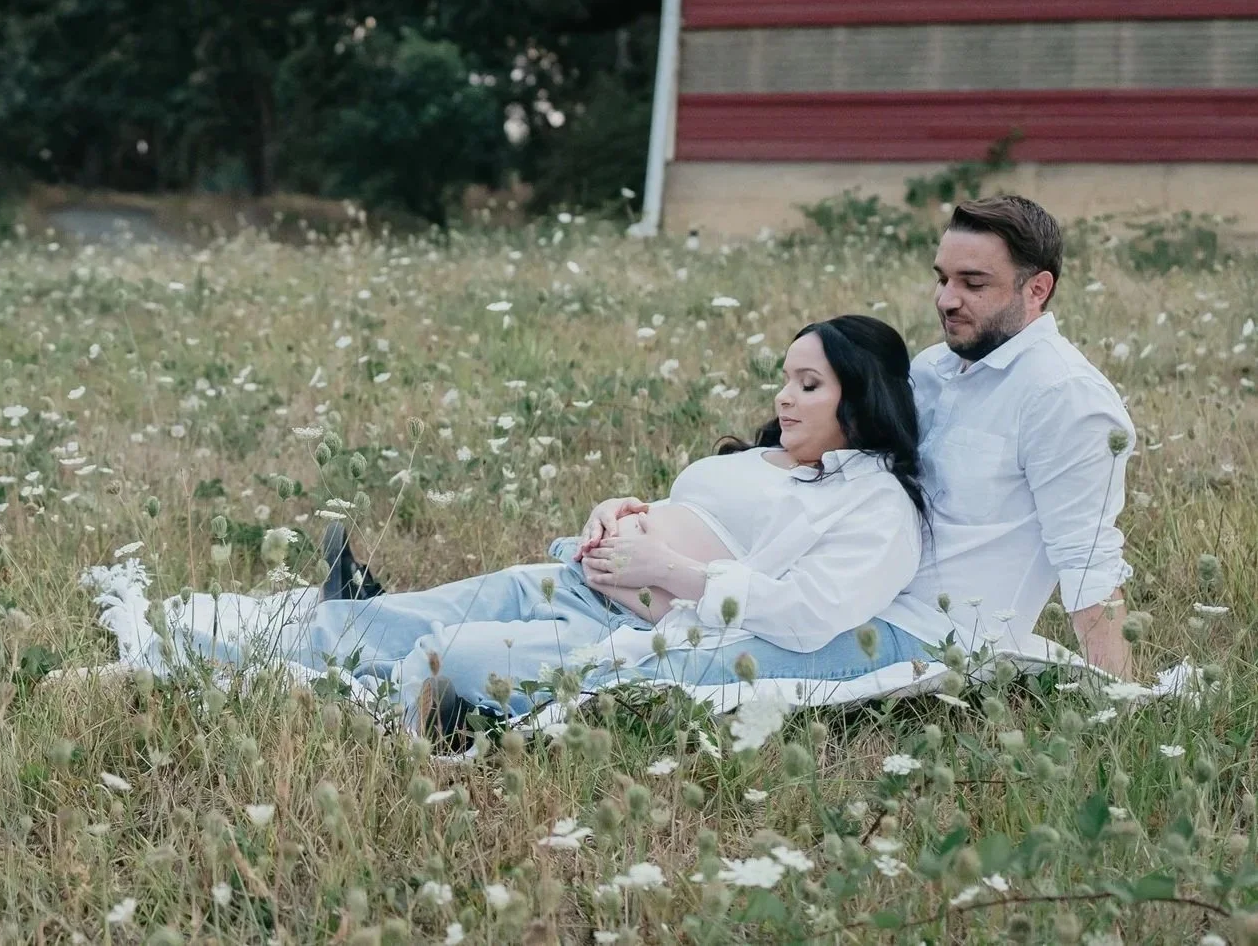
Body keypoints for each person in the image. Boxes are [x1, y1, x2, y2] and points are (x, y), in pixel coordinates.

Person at [129, 315, 932, 738]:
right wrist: (618, 511)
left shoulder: (873, 505)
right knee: (384, 622)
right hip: (575, 580)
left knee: (446, 652)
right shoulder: (773, 457)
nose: (783, 398)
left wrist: (670, 567)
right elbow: (693, 510)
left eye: (807, 383)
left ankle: (392, 710)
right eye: (784, 380)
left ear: (858, 397)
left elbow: (809, 613)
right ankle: (174, 643)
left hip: (639, 632)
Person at [875, 195, 1137, 674]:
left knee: (709, 662)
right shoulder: (932, 368)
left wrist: (1116, 698)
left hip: (938, 640)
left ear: (1036, 289)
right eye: (942, 278)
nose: (946, 300)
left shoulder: (1064, 396)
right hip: (854, 597)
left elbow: (1087, 554)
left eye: (973, 283)